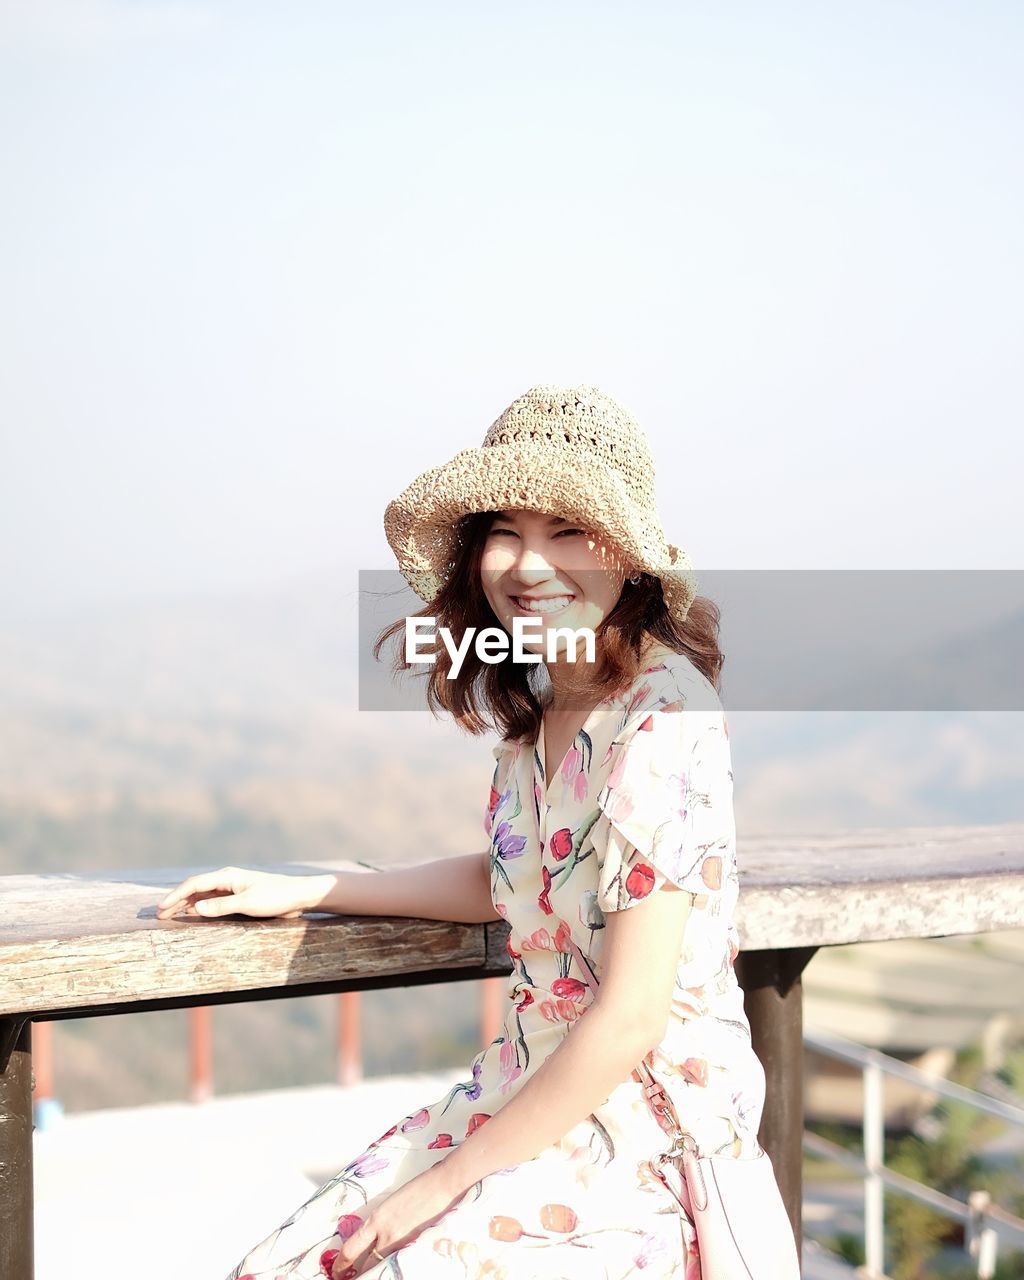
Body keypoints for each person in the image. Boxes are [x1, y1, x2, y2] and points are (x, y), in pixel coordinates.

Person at [155, 384, 767, 1280]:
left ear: (629, 558)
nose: (527, 564)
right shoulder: (545, 709)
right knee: (290, 1263)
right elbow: (521, 880)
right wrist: (311, 889)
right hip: (529, 1079)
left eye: (568, 531)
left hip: (646, 1125)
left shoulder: (663, 711)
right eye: (505, 531)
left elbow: (633, 1015)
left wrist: (438, 1187)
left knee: (404, 1258)